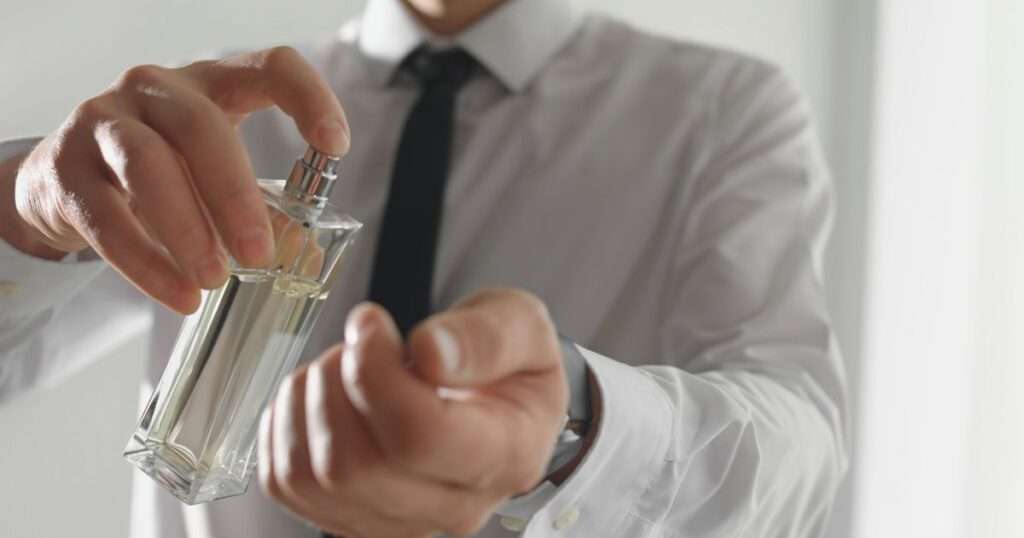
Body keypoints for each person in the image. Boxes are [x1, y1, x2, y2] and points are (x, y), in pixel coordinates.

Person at [0, 0, 848, 536]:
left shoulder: (721, 112)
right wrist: (23, 210)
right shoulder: (226, 123)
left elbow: (798, 449)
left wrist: (574, 428)